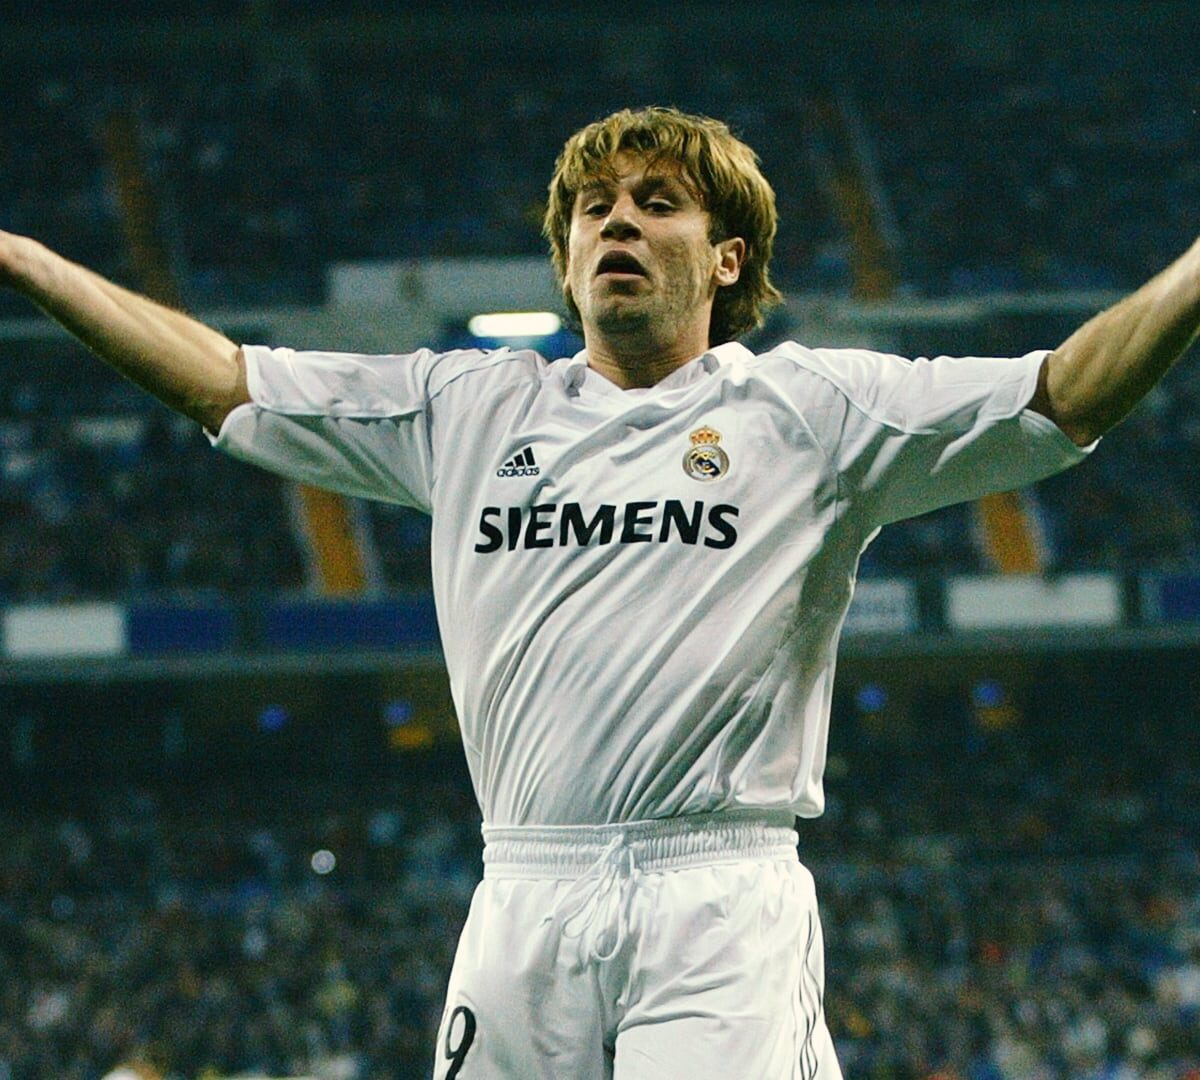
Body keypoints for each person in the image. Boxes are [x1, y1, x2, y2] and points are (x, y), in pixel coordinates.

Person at [2, 105, 1197, 1079]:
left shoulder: (813, 410)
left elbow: (1063, 393)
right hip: (522, 893)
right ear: (567, 259)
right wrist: (26, 258)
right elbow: (225, 382)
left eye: (657, 201)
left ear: (727, 259)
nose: (616, 219)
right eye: (593, 206)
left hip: (714, 896)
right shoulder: (465, 409)